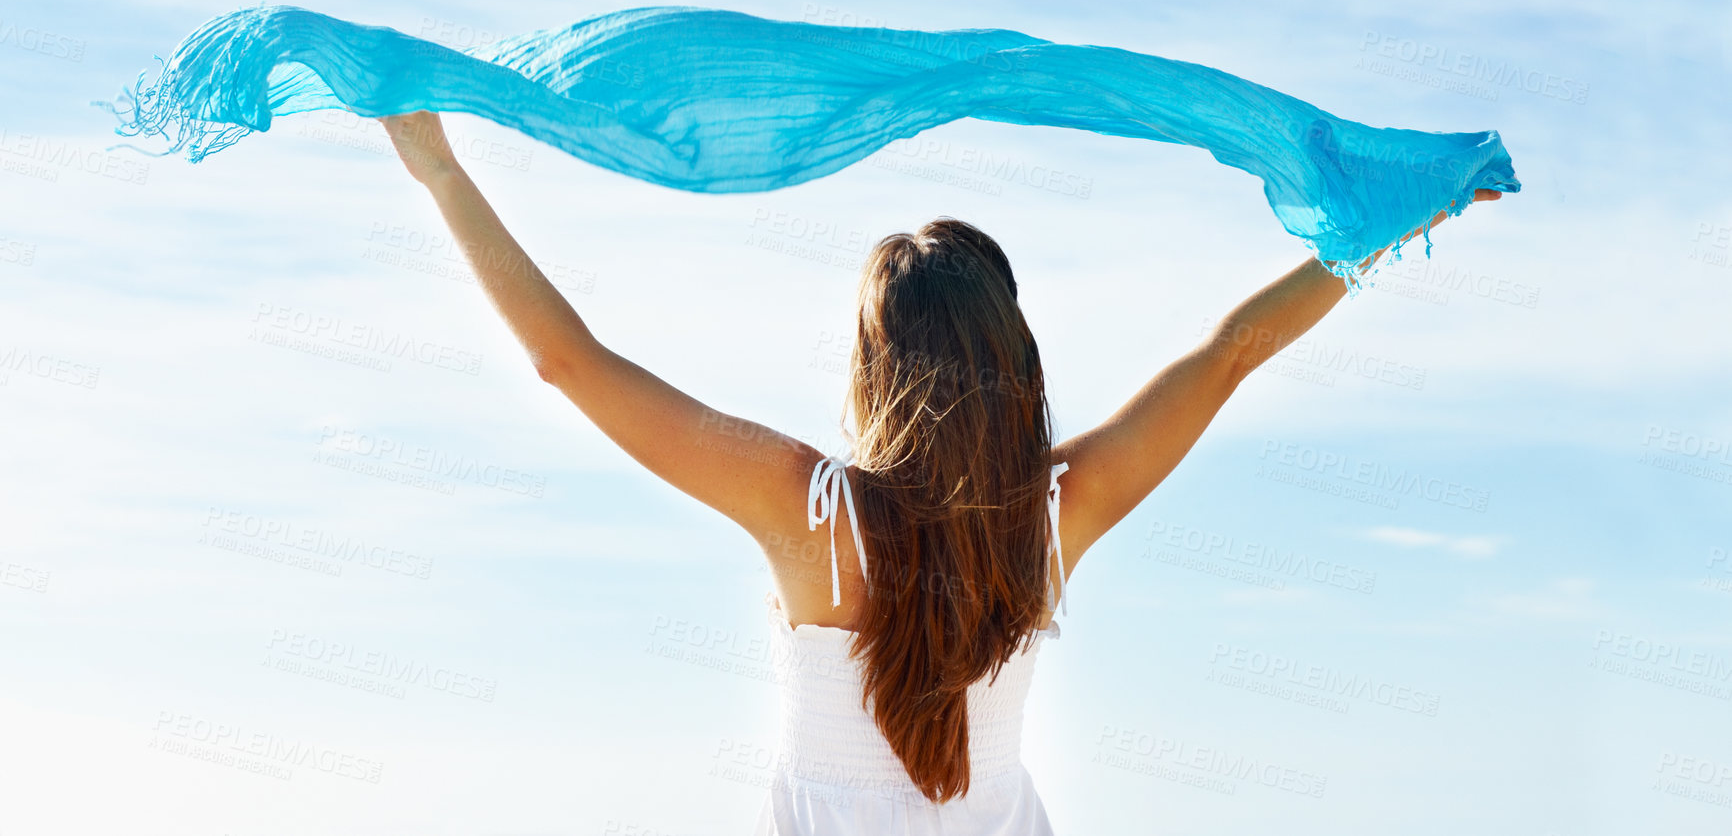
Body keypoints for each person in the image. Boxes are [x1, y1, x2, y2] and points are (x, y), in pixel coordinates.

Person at [380, 110, 1501, 833]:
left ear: (874, 367)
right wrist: (1393, 224)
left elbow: (567, 359)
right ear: (1012, 361)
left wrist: (437, 168)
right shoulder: (1053, 518)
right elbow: (1230, 352)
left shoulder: (804, 509)